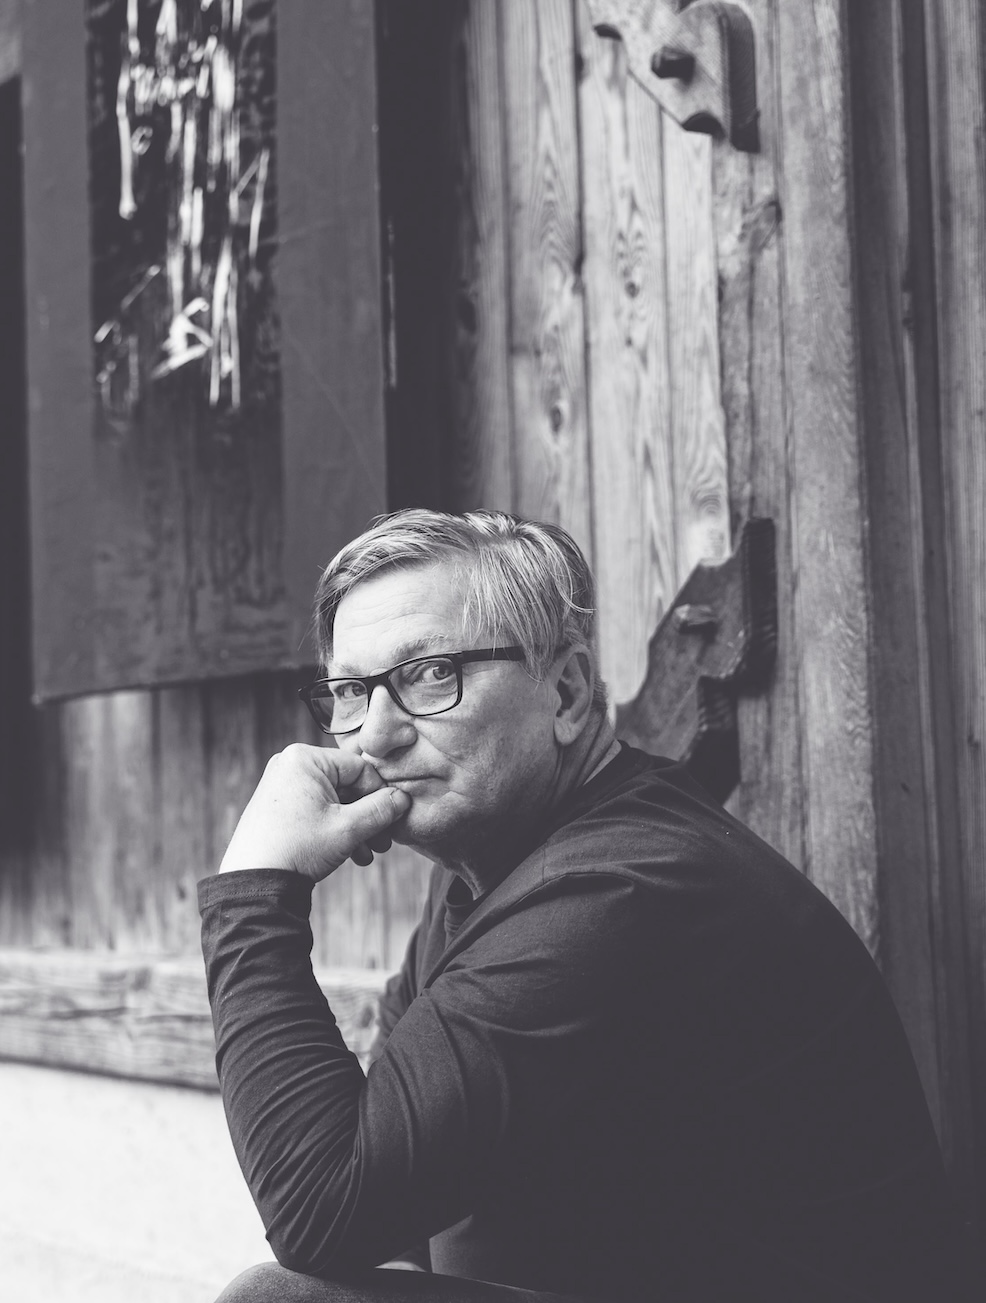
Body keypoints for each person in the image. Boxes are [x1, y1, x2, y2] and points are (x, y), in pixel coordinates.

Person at [201, 509, 965, 1303]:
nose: (375, 735)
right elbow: (383, 1190)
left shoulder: (625, 887)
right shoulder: (485, 866)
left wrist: (256, 886)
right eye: (351, 691)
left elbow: (323, 1203)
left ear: (565, 691)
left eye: (430, 673)